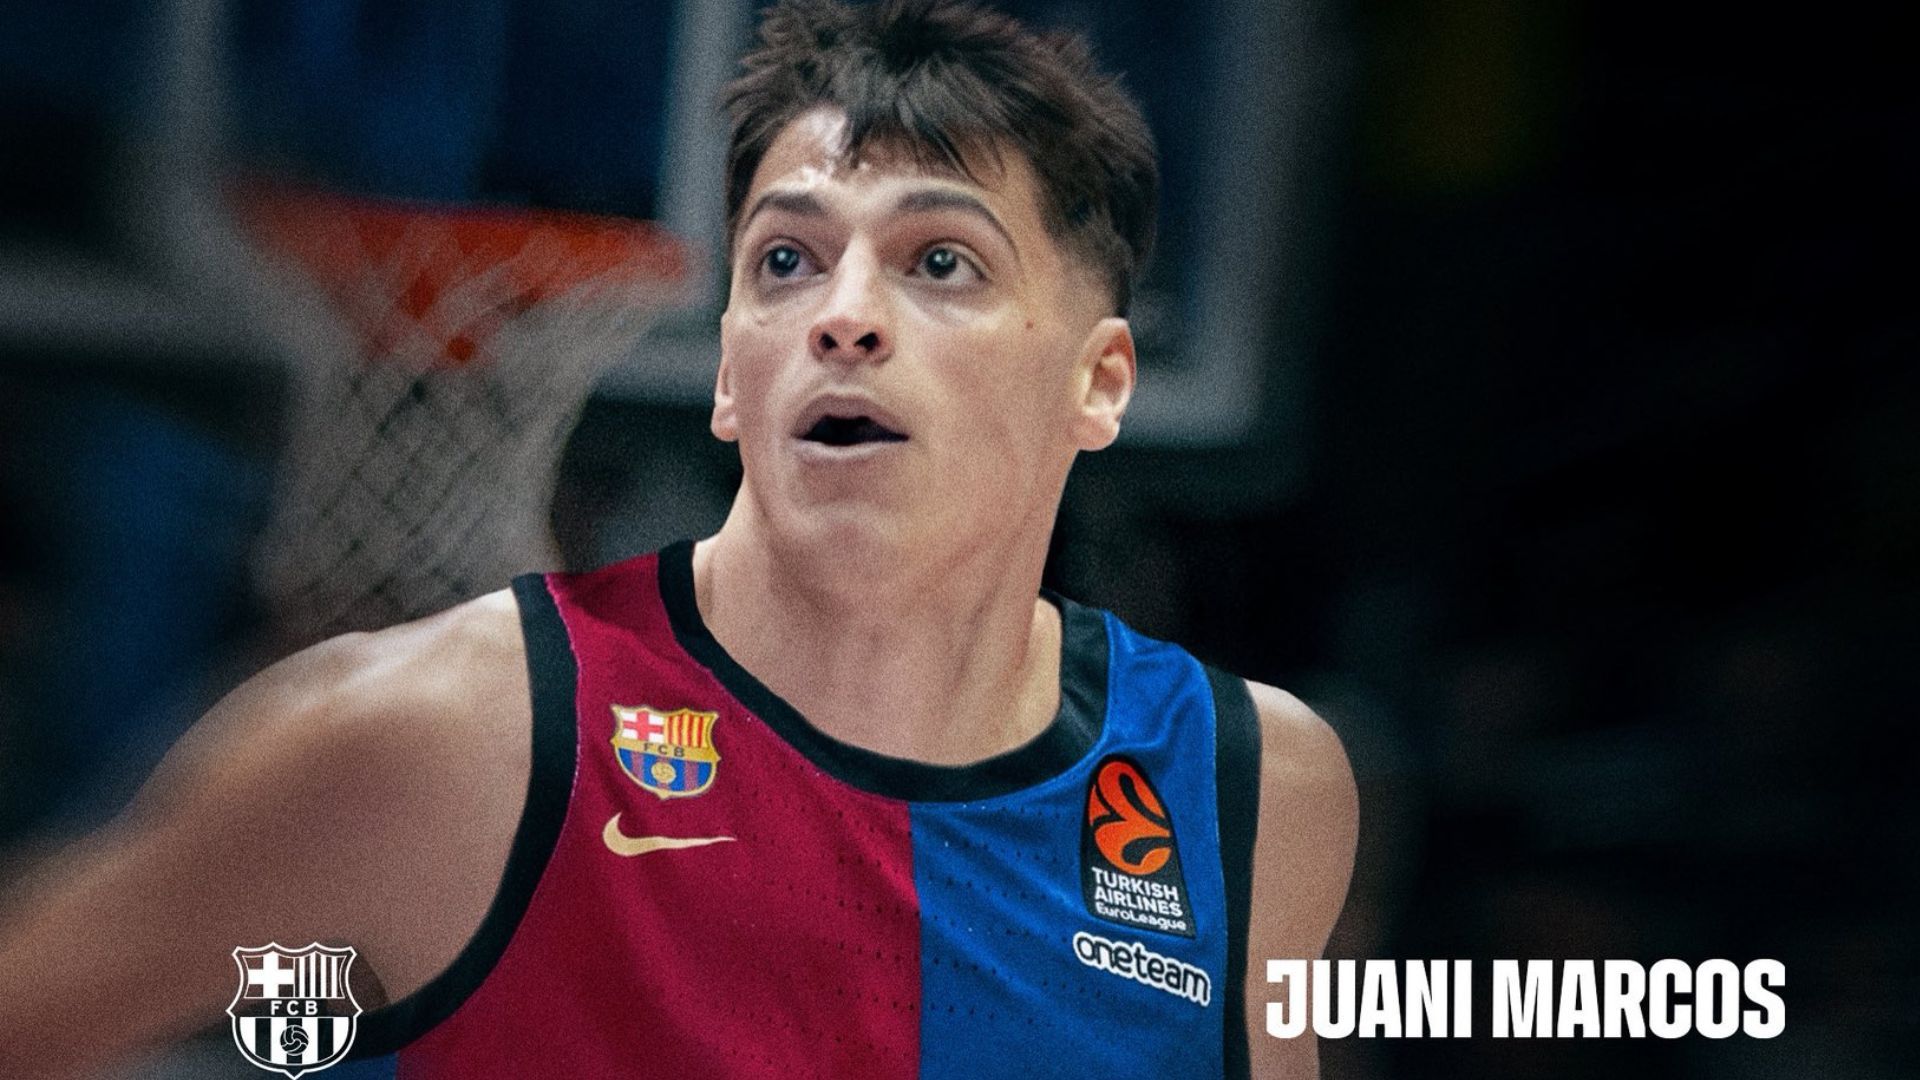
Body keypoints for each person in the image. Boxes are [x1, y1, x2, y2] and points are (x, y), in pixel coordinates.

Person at [0, 1, 1356, 1077]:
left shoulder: (1256, 791)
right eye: (786, 261)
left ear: (1100, 383)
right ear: (726, 373)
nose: (843, 316)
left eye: (941, 261)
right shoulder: (441, 740)